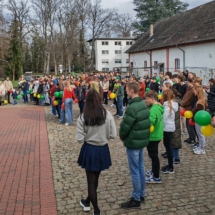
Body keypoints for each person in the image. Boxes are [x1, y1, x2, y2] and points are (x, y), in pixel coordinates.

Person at [76, 89, 117, 215]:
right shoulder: (107, 114)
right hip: (102, 148)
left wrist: (88, 136)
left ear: (87, 101)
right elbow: (113, 135)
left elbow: (79, 139)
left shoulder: (84, 116)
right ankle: (88, 202)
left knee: (91, 181)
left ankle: (96, 210)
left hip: (89, 148)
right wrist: (103, 137)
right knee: (95, 178)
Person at [119, 82, 150, 209]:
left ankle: (136, 198)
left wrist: (122, 136)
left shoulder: (132, 107)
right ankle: (142, 193)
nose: (126, 92)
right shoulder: (143, 104)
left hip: (133, 142)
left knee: (135, 171)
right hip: (141, 141)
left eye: (127, 90)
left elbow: (125, 126)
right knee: (141, 168)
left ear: (132, 91)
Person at [144, 90, 164, 183]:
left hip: (153, 135)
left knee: (154, 156)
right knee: (153, 155)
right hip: (157, 134)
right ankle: (153, 171)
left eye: (147, 99)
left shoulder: (154, 109)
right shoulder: (158, 106)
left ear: (152, 98)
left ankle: (156, 177)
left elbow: (150, 121)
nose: (146, 100)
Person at [161, 89, 178, 174]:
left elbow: (163, 119)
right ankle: (170, 165)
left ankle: (170, 167)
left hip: (167, 128)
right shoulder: (170, 105)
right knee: (168, 147)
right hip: (170, 127)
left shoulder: (168, 107)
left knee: (168, 147)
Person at [192, 86, 208, 155]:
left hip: (199, 120)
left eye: (195, 91)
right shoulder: (201, 99)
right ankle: (200, 147)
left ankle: (202, 149)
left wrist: (193, 110)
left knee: (200, 135)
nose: (194, 92)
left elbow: (200, 111)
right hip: (199, 119)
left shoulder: (200, 101)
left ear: (198, 91)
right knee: (199, 135)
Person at [181, 78, 196, 144]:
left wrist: (182, 103)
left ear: (191, 83)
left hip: (189, 108)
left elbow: (189, 99)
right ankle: (190, 136)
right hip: (186, 108)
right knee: (187, 123)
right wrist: (182, 102)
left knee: (190, 124)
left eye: (188, 82)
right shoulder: (188, 89)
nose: (187, 83)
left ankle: (193, 137)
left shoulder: (192, 90)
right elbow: (185, 97)